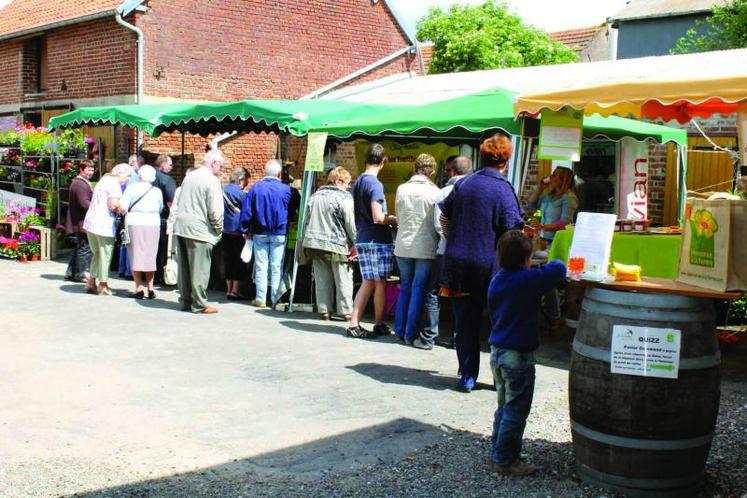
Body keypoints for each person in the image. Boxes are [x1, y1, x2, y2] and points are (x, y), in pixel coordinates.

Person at [439, 134, 524, 392]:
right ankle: (500, 377)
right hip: (491, 266)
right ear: (505, 161)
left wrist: (454, 238)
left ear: (482, 156)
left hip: (459, 263)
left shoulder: (465, 183)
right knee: (499, 323)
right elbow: (512, 233)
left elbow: (444, 215)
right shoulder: (503, 188)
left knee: (465, 321)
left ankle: (467, 377)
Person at [487, 230, 566, 476]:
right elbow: (558, 268)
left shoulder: (498, 279)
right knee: (516, 410)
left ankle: (498, 452)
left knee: (504, 406)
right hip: (517, 356)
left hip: (497, 351)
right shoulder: (526, 280)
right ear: (526, 259)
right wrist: (554, 256)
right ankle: (506, 460)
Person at [346, 143, 397, 338]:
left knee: (367, 282)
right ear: (382, 162)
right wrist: (392, 219)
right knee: (380, 283)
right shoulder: (375, 184)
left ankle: (353, 323)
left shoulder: (358, 182)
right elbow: (378, 216)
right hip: (377, 239)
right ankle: (378, 323)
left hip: (363, 237)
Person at [393, 154, 440, 348]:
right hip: (425, 245)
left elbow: (398, 214)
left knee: (405, 286)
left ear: (415, 168)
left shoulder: (401, 189)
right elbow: (437, 223)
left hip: (403, 243)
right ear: (432, 171)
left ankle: (400, 329)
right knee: (418, 288)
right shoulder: (435, 192)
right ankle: (410, 334)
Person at [428, 155, 472, 349]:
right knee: (461, 295)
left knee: (434, 292)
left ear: (452, 171)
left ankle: (430, 335)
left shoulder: (445, 191)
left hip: (445, 250)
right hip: (467, 253)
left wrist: (450, 238)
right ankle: (458, 337)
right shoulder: (475, 190)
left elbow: (439, 225)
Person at [173, 150, 225, 314]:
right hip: (200, 228)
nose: (221, 169)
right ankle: (199, 303)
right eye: (221, 166)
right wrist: (218, 228)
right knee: (199, 269)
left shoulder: (189, 176)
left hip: (182, 226)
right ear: (214, 163)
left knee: (185, 269)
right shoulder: (211, 180)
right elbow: (215, 209)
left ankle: (186, 300)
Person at [526, 166, 578, 330]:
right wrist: (540, 188)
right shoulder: (548, 196)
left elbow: (565, 223)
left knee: (549, 281)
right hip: (542, 242)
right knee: (536, 273)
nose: (551, 177)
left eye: (555, 175)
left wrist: (542, 227)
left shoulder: (569, 198)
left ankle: (555, 317)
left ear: (563, 180)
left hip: (557, 244)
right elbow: (532, 205)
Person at [302, 166, 357, 320]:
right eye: (347, 182)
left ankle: (325, 310)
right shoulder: (345, 198)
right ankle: (346, 311)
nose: (349, 186)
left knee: (321, 278)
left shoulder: (315, 195)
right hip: (337, 243)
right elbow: (350, 223)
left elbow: (306, 219)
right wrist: (356, 242)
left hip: (314, 243)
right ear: (339, 181)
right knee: (343, 278)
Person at [240, 159, 293, 308]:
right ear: (279, 173)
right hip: (279, 232)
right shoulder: (286, 189)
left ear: (265, 172)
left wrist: (245, 230)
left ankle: (260, 298)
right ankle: (276, 299)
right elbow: (293, 209)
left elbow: (247, 211)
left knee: (261, 266)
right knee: (277, 267)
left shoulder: (255, 188)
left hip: (259, 232)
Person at [82, 163, 133, 295]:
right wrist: (123, 208)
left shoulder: (103, 180)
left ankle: (91, 282)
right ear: (120, 173)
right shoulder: (114, 184)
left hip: (91, 221)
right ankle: (103, 285)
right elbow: (113, 205)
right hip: (104, 224)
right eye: (128, 176)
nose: (128, 179)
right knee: (105, 254)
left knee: (97, 253)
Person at [120, 165, 164, 299]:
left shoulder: (131, 188)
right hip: (153, 223)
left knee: (135, 255)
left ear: (139, 176)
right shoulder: (157, 191)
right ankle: (150, 288)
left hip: (135, 222)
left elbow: (123, 207)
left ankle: (139, 287)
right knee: (150, 256)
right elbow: (160, 207)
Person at [64, 160, 95, 282]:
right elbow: (84, 203)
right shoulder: (80, 184)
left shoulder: (79, 182)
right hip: (81, 221)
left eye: (92, 170)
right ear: (81, 169)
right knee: (84, 248)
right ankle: (80, 274)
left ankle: (71, 272)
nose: (91, 172)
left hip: (79, 220)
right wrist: (96, 205)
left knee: (80, 247)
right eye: (88, 170)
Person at [223, 167, 250, 300]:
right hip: (238, 232)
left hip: (224, 230)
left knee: (228, 260)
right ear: (240, 180)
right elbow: (246, 213)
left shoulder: (222, 190)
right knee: (238, 262)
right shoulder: (241, 194)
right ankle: (235, 291)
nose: (246, 185)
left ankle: (228, 289)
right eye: (246, 181)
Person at [119, 154, 145, 279]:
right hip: (130, 212)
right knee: (129, 242)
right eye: (130, 162)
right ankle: (129, 271)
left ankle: (122, 268)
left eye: (133, 162)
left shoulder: (123, 176)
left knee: (124, 240)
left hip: (123, 210)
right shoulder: (134, 177)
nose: (131, 164)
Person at [152, 155, 177, 285]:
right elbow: (171, 202)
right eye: (170, 165)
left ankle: (150, 275)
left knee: (151, 249)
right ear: (162, 165)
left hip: (148, 218)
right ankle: (160, 276)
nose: (171, 167)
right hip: (162, 218)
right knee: (162, 249)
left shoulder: (147, 177)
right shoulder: (167, 179)